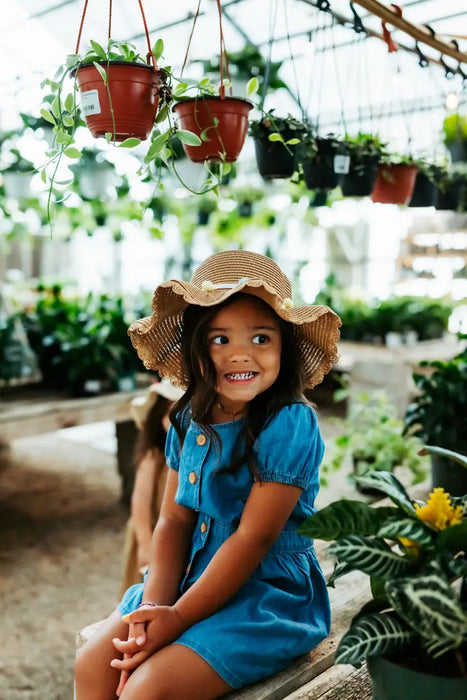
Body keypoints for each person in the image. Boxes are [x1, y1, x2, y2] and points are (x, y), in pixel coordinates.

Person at [75, 249, 341, 700]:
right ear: (195, 348)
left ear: (285, 348)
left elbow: (251, 540)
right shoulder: (187, 420)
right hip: (187, 577)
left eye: (261, 339)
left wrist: (176, 620)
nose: (240, 354)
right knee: (92, 665)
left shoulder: (288, 423)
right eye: (220, 340)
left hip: (266, 595)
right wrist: (156, 608)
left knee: (147, 688)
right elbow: (175, 521)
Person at [121, 379, 184, 596]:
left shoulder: (201, 456)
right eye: (170, 413)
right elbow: (140, 500)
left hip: (181, 536)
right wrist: (145, 544)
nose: (177, 421)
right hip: (151, 530)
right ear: (158, 416)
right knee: (144, 591)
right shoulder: (154, 455)